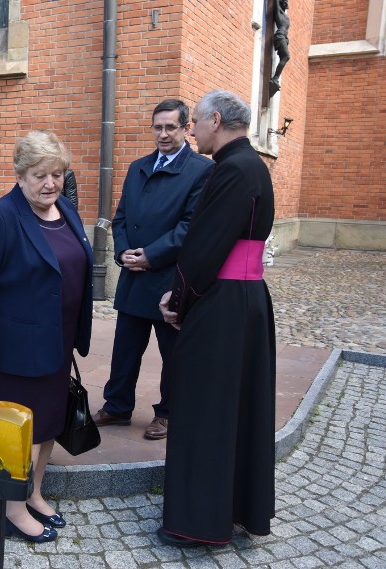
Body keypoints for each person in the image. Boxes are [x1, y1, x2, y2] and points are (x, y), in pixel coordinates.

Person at [0, 131, 93, 544]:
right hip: (13, 348)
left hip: (57, 341)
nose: (49, 183)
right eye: (39, 175)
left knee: (49, 423)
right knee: (18, 431)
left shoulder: (65, 209)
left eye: (56, 174)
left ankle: (33, 492)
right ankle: (13, 510)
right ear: (19, 175)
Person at [157, 90, 275, 546]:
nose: (192, 131)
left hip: (222, 304)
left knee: (205, 408)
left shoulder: (230, 169)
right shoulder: (250, 166)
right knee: (235, 408)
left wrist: (179, 300)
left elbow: (204, 248)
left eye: (196, 124)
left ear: (216, 120)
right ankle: (235, 507)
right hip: (243, 299)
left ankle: (197, 524)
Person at [93, 100, 213, 440]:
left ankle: (169, 413)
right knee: (125, 348)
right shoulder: (138, 166)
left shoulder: (201, 170)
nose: (163, 134)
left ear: (186, 128)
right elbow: (120, 217)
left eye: (170, 127)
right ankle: (116, 407)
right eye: (157, 127)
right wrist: (125, 253)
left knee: (173, 353)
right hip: (135, 275)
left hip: (169, 277)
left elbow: (191, 225)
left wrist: (151, 255)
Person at [269, 0, 290, 96]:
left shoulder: (285, 16)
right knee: (286, 57)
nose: (286, 3)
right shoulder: (278, 12)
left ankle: (276, 78)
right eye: (284, 1)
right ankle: (275, 78)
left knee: (286, 57)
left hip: (284, 37)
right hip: (280, 35)